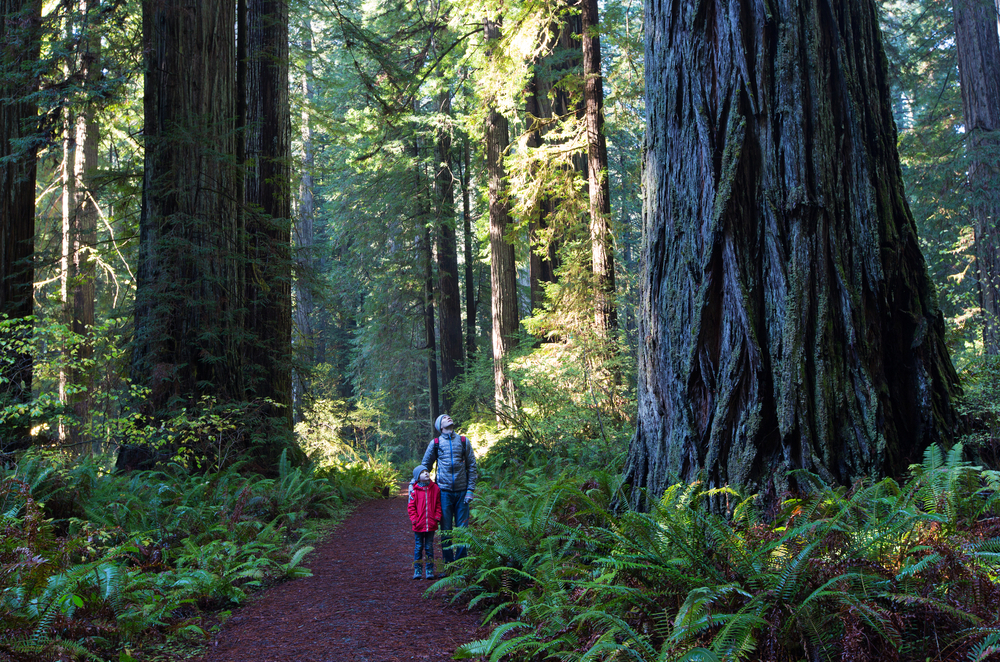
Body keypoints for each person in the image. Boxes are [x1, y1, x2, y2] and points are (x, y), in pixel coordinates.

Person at [414, 414, 477, 563]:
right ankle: (448, 564)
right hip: (443, 493)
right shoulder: (435, 443)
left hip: (463, 493)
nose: (448, 418)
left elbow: (472, 467)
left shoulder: (463, 441)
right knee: (446, 530)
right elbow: (425, 466)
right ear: (440, 426)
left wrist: (470, 490)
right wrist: (415, 485)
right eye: (444, 418)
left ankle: (461, 564)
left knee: (463, 530)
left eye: (449, 417)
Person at [407, 465, 441, 580]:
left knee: (429, 547)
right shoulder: (415, 491)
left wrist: (437, 516)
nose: (426, 473)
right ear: (418, 477)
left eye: (427, 471)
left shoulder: (435, 488)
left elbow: (438, 504)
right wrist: (414, 520)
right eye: (423, 472)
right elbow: (411, 507)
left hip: (431, 524)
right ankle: (417, 569)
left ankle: (430, 569)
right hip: (418, 525)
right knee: (418, 547)